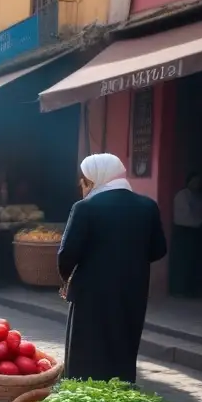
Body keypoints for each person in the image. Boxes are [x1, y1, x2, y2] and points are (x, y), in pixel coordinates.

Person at [59, 154, 167, 383]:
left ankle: (85, 395)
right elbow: (159, 250)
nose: (82, 185)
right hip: (133, 291)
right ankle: (121, 390)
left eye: (84, 180)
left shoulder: (85, 208)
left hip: (91, 292)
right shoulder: (147, 206)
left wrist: (65, 279)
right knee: (123, 342)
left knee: (88, 348)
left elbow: (67, 254)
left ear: (95, 179)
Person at [169, 173, 202, 298]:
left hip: (196, 231)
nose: (197, 184)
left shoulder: (199, 196)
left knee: (193, 261)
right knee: (182, 261)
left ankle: (190, 288)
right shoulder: (182, 195)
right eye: (195, 181)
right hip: (184, 230)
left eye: (199, 182)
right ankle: (179, 289)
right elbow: (185, 215)